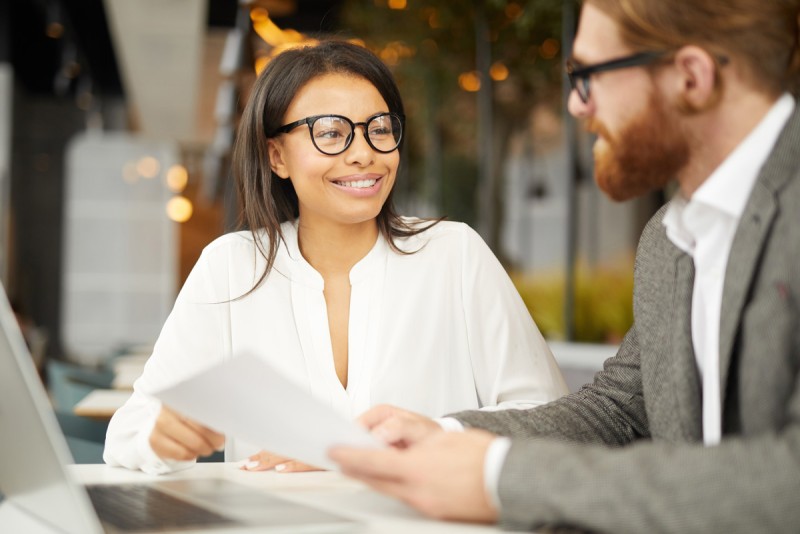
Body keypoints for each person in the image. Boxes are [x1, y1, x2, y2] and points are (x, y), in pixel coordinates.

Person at [329, 1, 800, 532]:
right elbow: (619, 412)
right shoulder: (670, 239)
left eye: (588, 76)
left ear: (691, 76)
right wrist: (449, 437)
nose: (577, 106)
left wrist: (500, 476)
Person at [103, 41, 567, 475]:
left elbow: (549, 421)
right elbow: (129, 431)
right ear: (276, 156)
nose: (365, 153)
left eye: (380, 129)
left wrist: (362, 453)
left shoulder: (455, 255)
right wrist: (161, 438)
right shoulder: (231, 267)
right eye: (331, 133)